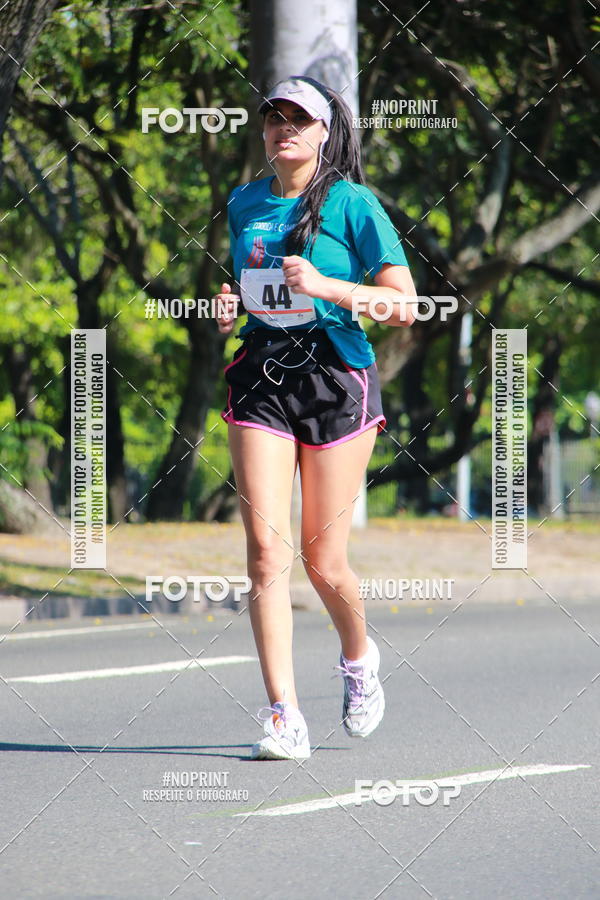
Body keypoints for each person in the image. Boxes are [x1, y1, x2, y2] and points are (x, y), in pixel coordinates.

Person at [213, 75, 416, 760]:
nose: (285, 128)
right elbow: (250, 283)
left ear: (326, 132)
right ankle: (283, 715)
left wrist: (329, 287)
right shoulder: (244, 201)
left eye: (300, 118)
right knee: (267, 552)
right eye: (274, 116)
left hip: (335, 376)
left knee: (322, 559)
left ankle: (359, 660)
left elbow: (404, 304)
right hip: (263, 376)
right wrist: (228, 304)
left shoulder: (354, 204)